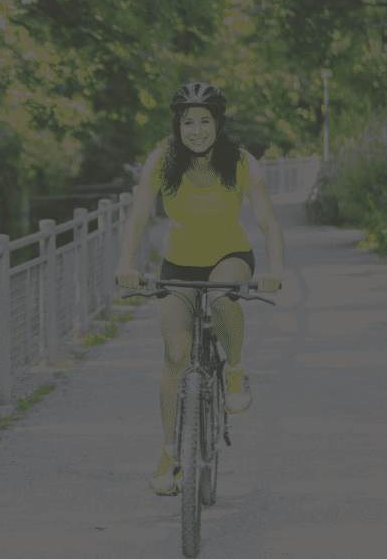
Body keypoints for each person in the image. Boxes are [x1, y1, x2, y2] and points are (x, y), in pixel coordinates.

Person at [114, 81, 284, 496]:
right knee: (176, 357)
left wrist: (275, 266)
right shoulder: (160, 161)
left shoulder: (242, 163)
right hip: (178, 263)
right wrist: (125, 263)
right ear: (177, 125)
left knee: (221, 295)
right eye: (187, 121)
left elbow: (266, 220)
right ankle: (170, 454)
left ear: (218, 124)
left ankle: (236, 370)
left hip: (230, 257)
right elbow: (137, 217)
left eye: (204, 121)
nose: (195, 130)